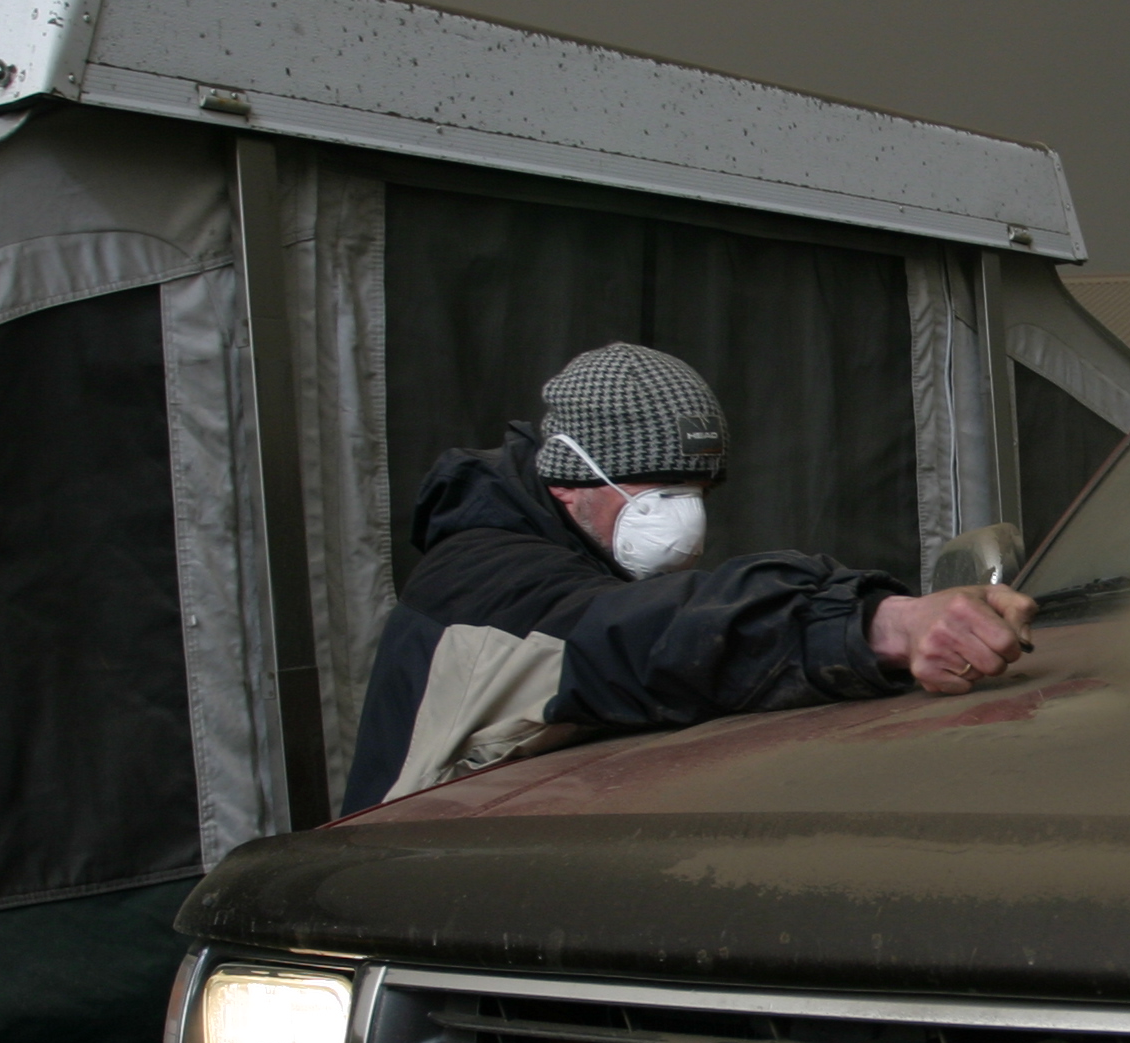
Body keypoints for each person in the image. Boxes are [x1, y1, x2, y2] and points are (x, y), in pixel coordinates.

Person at [340, 341, 1032, 813]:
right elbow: (642, 637)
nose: (683, 515)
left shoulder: (584, 553)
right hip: (410, 907)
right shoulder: (485, 579)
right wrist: (877, 624)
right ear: (566, 483)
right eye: (656, 486)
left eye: (698, 486)